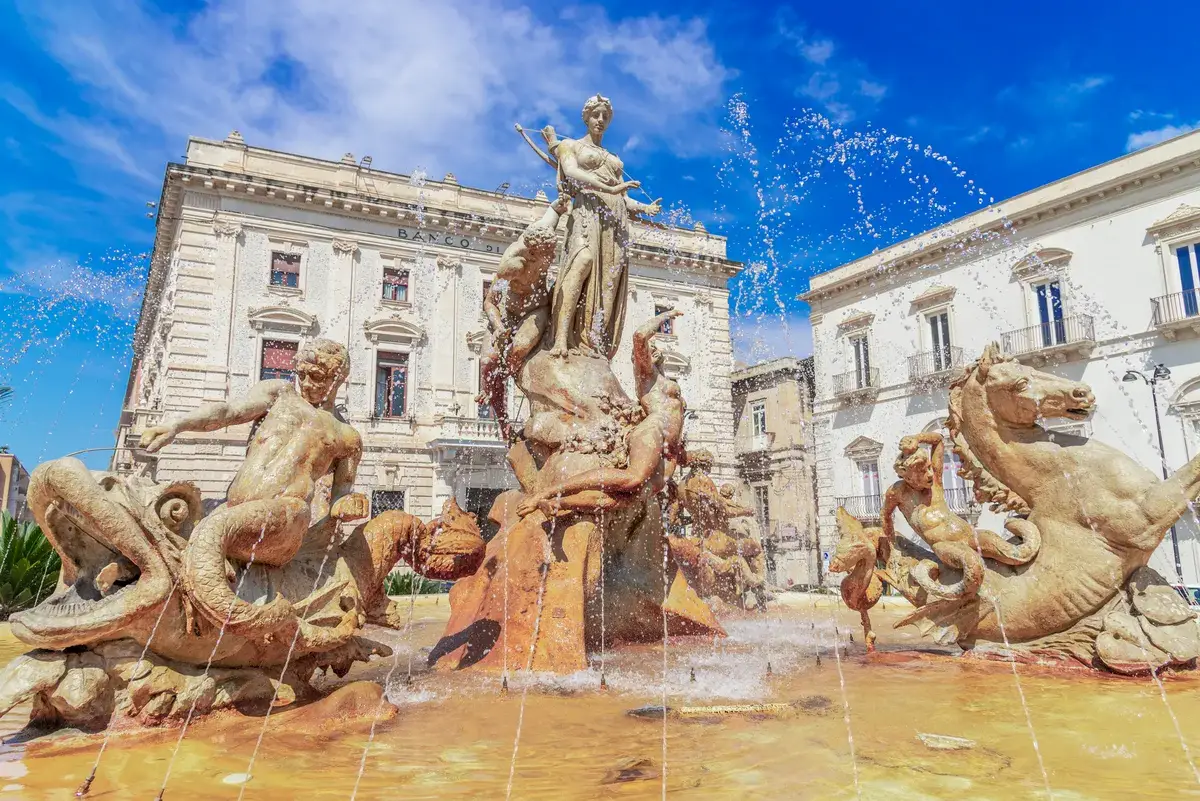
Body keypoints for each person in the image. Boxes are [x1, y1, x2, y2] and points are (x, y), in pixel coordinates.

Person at [139, 338, 368, 637]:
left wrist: (347, 505)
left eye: (317, 377)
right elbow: (228, 411)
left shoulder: (347, 436)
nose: (306, 383)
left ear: (339, 377)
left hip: (286, 518)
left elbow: (341, 495)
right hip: (235, 511)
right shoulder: (279, 394)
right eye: (301, 374)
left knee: (213, 530)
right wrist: (177, 426)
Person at [516, 309, 685, 517]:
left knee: (625, 499)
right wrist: (664, 317)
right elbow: (640, 336)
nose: (651, 351)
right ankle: (549, 491)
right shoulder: (648, 378)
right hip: (653, 432)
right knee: (634, 478)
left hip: (669, 452)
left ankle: (559, 504)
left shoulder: (663, 379)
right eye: (648, 351)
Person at [544, 95, 662, 360]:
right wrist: (609, 187)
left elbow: (624, 198)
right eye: (596, 115)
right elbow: (571, 172)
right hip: (588, 209)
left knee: (609, 282)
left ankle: (593, 343)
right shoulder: (569, 145)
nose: (600, 120)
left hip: (615, 218)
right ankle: (561, 337)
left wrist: (645, 208)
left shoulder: (613, 158)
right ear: (586, 117)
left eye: (605, 117)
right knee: (581, 262)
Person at [882, 432, 1038, 599]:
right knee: (972, 564)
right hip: (944, 545)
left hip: (970, 535)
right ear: (908, 476)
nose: (929, 474)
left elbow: (939, 441)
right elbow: (885, 517)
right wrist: (892, 549)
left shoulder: (934, 482)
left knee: (1014, 553)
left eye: (929, 467)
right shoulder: (897, 493)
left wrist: (918, 439)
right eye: (922, 471)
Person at [477, 195, 568, 437]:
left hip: (536, 309)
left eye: (550, 253)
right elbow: (490, 302)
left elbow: (551, 217)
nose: (548, 259)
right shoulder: (511, 266)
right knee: (488, 362)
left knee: (518, 349)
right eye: (543, 255)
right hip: (506, 315)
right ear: (530, 252)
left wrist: (557, 207)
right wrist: (497, 327)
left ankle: (509, 378)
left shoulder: (543, 238)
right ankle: (502, 418)